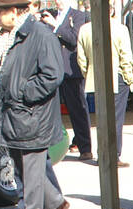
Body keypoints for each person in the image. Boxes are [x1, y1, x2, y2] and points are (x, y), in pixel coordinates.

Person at [0, 0, 68, 209]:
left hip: (32, 113)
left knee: (32, 167)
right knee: (24, 166)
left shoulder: (40, 34)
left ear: (15, 11)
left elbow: (53, 75)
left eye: (0, 11)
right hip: (17, 112)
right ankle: (55, 203)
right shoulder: (13, 35)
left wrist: (22, 92)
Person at [78, 0, 133, 167]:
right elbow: (126, 57)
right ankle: (113, 155)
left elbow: (81, 59)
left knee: (101, 119)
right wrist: (129, 79)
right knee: (116, 119)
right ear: (110, 11)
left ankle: (102, 154)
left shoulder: (84, 30)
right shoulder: (120, 29)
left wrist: (89, 74)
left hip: (94, 79)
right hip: (117, 77)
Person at [44, 0, 92, 160]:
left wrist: (56, 26)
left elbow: (73, 39)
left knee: (77, 108)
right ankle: (54, 147)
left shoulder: (78, 16)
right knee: (51, 110)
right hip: (53, 69)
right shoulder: (51, 15)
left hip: (70, 71)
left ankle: (85, 147)